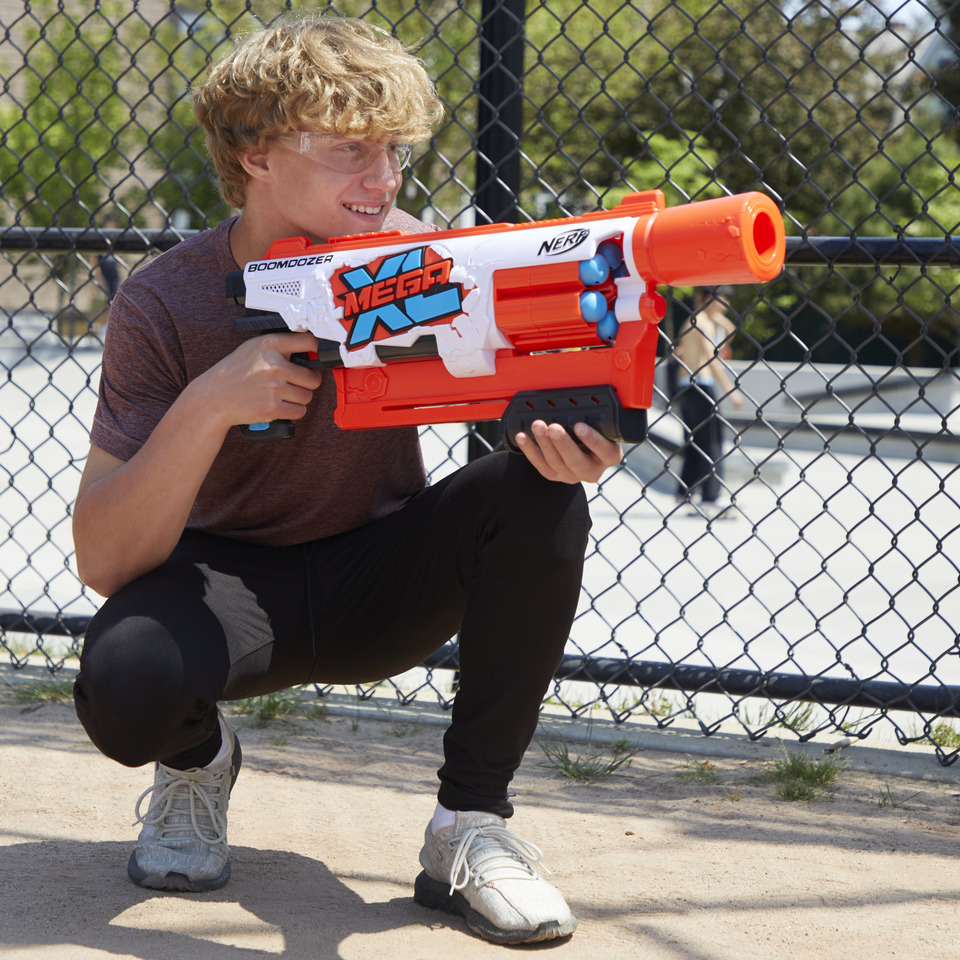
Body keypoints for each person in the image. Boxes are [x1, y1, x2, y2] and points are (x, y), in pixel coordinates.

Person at [70, 14, 623, 947]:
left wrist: (576, 439)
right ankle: (197, 762)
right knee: (128, 683)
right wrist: (209, 404)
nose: (384, 179)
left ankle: (468, 825)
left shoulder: (426, 263)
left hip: (378, 577)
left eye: (394, 151)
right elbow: (104, 558)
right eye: (349, 150)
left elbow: (524, 404)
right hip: (224, 591)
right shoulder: (164, 298)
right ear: (254, 154)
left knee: (537, 493)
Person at [670, 286, 742, 515]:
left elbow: (730, 333)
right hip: (702, 385)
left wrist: (719, 318)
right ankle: (711, 496)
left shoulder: (693, 321)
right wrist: (731, 391)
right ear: (710, 298)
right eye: (723, 301)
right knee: (712, 441)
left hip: (686, 388)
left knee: (694, 441)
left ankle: (684, 491)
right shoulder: (704, 323)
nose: (726, 307)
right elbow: (712, 359)